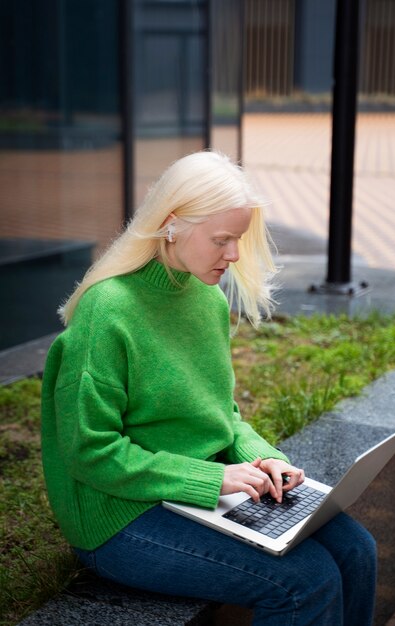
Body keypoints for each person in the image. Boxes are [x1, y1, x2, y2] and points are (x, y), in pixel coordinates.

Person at [41, 150, 377, 626]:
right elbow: (89, 453)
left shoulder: (206, 297)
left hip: (199, 491)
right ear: (173, 225)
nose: (234, 254)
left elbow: (223, 413)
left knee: (358, 549)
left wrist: (268, 458)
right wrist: (213, 480)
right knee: (305, 583)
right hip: (120, 516)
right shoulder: (108, 311)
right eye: (222, 239)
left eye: (237, 239)